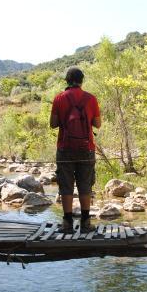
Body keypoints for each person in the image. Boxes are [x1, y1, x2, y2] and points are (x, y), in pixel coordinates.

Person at [50, 67, 101, 232]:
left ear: (67, 80)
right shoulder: (91, 99)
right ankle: (86, 222)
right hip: (86, 148)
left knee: (66, 186)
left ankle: (67, 223)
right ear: (82, 80)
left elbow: (53, 124)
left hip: (65, 148)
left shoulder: (59, 98)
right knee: (85, 185)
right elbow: (97, 124)